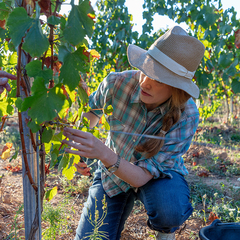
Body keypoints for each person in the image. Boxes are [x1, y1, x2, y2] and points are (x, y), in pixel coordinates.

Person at [62, 26, 205, 240]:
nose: (145, 82)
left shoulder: (187, 115)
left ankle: (165, 233)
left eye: (157, 78)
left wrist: (103, 153)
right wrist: (80, 150)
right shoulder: (116, 83)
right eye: (146, 70)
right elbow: (89, 116)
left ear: (176, 89)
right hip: (112, 176)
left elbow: (140, 176)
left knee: (169, 209)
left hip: (156, 176)